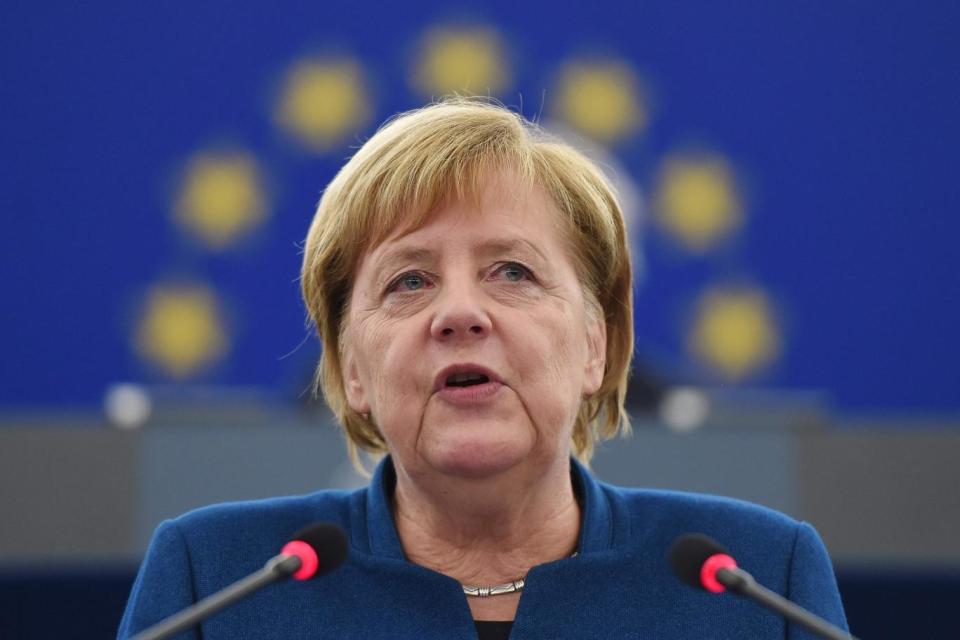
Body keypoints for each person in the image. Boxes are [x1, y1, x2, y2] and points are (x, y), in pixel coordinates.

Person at [118, 99, 849, 639]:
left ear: (594, 344)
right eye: (409, 281)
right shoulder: (215, 580)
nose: (459, 313)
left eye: (512, 272)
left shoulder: (755, 580)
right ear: (350, 367)